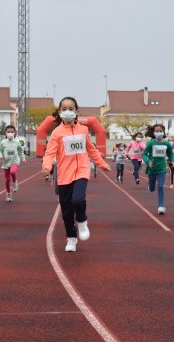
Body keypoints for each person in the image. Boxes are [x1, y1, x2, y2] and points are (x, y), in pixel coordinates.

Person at [42, 97, 110, 253]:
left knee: (78, 199)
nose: (67, 112)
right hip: (64, 174)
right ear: (59, 112)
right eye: (64, 109)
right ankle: (71, 238)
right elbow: (50, 153)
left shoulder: (83, 130)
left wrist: (102, 163)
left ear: (77, 111)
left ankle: (82, 221)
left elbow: (91, 149)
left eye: (71, 109)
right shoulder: (56, 133)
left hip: (81, 171)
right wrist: (46, 166)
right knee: (66, 211)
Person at [143, 124, 174, 215]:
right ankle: (150, 184)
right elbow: (144, 154)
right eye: (157, 131)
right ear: (153, 133)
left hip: (161, 168)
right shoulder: (151, 143)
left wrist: (171, 161)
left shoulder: (166, 144)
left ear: (163, 132)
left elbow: (170, 154)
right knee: (152, 188)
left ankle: (161, 206)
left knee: (160, 187)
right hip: (152, 169)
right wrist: (148, 161)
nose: (159, 133)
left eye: (160, 131)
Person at [0, 125, 25, 202]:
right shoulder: (3, 142)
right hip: (6, 163)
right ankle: (8, 193)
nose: (10, 133)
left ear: (14, 133)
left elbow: (20, 151)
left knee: (13, 171)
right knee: (7, 180)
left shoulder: (17, 142)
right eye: (8, 132)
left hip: (15, 161)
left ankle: (15, 182)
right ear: (5, 133)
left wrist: (23, 158)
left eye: (12, 132)